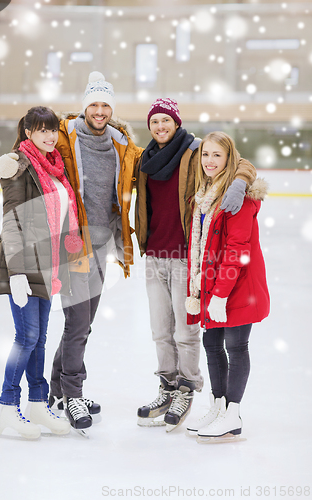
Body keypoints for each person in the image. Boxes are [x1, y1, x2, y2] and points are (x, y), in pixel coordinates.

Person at [0, 73, 143, 434]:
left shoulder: (122, 145)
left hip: (98, 243)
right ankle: (68, 394)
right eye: (93, 103)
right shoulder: (63, 138)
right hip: (68, 248)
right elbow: (23, 160)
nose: (99, 110)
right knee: (67, 326)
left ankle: (54, 393)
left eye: (105, 104)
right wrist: (8, 161)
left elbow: (163, 160)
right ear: (83, 107)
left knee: (80, 323)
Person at [134, 99, 257, 432]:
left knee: (185, 332)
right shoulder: (143, 158)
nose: (160, 126)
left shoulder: (195, 151)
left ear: (177, 122)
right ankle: (167, 387)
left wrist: (239, 182)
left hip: (186, 254)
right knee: (160, 330)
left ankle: (187, 389)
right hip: (154, 254)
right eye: (155, 121)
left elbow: (238, 161)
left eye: (166, 120)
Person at [0, 106, 83, 439]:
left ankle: (36, 404)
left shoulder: (55, 168)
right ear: (27, 132)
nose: (49, 136)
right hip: (25, 266)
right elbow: (12, 221)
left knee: (40, 340)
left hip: (48, 266)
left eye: (53, 130)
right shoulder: (18, 167)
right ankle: (6, 407)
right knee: (27, 337)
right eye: (41, 130)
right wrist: (16, 272)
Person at [185, 131, 270, 442]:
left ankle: (233, 414)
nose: (209, 161)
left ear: (229, 158)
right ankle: (218, 406)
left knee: (235, 347)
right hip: (214, 284)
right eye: (206, 154)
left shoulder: (240, 197)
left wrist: (220, 294)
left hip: (238, 286)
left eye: (217, 155)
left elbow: (237, 249)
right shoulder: (205, 193)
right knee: (211, 345)